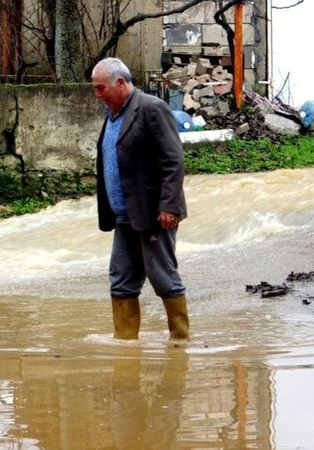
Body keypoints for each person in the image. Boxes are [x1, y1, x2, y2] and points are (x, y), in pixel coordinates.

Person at [91, 57, 190, 340]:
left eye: (100, 88)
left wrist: (169, 205)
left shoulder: (151, 109)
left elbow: (173, 160)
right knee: (121, 280)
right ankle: (125, 346)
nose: (97, 95)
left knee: (163, 278)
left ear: (120, 83)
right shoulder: (111, 115)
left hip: (152, 213)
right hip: (123, 216)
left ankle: (180, 343)